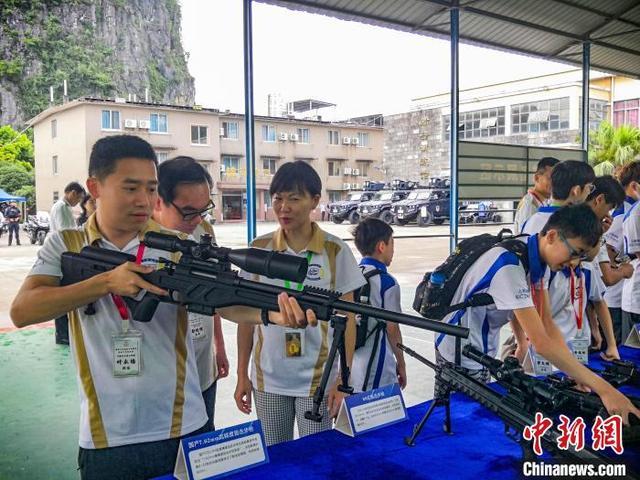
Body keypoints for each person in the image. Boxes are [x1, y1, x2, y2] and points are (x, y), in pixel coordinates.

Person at [9, 135, 316, 480]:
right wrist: (106, 283)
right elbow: (23, 311)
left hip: (183, 425)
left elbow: (225, 303)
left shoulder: (178, 247)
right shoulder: (67, 244)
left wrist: (272, 314)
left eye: (151, 188)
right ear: (95, 187)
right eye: (131, 188)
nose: (144, 200)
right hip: (105, 434)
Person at [434, 205, 640, 424]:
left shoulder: (536, 257)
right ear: (551, 236)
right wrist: (605, 390)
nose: (574, 263)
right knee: (459, 420)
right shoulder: (508, 264)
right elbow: (541, 342)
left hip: (483, 342)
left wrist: (575, 372)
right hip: (460, 349)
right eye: (575, 252)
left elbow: (547, 324)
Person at [234, 160, 366, 446]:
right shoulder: (258, 250)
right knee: (276, 460)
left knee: (315, 459)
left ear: (315, 201)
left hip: (318, 381)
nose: (284, 207)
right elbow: (246, 318)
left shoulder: (335, 251)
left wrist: (343, 381)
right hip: (267, 379)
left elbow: (349, 319)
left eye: (294, 198)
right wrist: (241, 373)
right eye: (278, 198)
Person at [153, 156, 229, 431]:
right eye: (188, 212)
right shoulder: (139, 240)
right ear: (158, 201)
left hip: (202, 365)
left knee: (204, 448)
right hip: (161, 378)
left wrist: (219, 346)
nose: (197, 219)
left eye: (203, 210)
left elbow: (216, 291)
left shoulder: (203, 230)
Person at [350, 218, 406, 393]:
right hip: (377, 368)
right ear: (382, 246)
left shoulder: (350, 275)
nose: (393, 250)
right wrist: (401, 363)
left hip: (351, 363)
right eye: (392, 244)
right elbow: (392, 328)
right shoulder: (387, 282)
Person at [604, 161, 640, 343]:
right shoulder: (624, 212)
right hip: (617, 299)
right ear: (634, 185)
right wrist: (625, 263)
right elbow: (608, 250)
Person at [521, 160, 595, 235]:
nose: (589, 192)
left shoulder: (529, 221)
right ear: (576, 191)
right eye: (589, 187)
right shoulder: (575, 226)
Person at [513, 157, 559, 232]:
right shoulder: (530, 204)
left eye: (558, 179)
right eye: (550, 178)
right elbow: (526, 236)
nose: (555, 183)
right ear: (537, 178)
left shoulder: (545, 201)